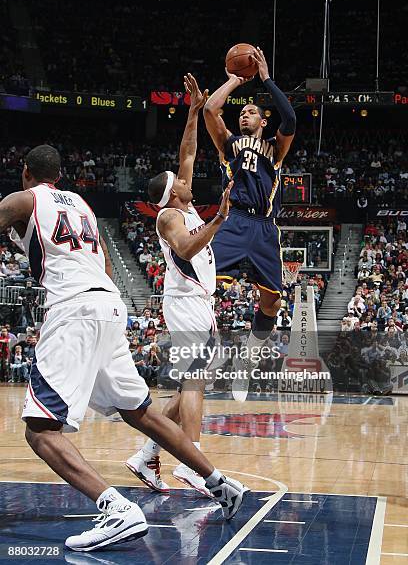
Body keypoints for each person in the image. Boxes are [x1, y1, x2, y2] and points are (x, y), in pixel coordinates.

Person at [0, 144, 246, 552]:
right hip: (109, 305)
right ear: (58, 176)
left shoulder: (22, 199)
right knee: (142, 412)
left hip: (73, 307)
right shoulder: (81, 204)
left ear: (25, 171)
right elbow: (108, 263)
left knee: (40, 431)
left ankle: (116, 508)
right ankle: (222, 484)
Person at [127, 74, 234, 497]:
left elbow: (187, 149)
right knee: (194, 382)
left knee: (191, 384)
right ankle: (193, 461)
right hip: (186, 301)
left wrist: (192, 112)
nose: (189, 176)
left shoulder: (181, 202)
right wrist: (219, 218)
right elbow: (187, 250)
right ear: (174, 192)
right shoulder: (170, 217)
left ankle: (147, 453)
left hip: (197, 304)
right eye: (181, 178)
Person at [203, 47, 296, 400]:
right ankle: (208, 351)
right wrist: (232, 82)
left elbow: (291, 120)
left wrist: (265, 78)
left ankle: (247, 362)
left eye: (252, 111)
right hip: (234, 220)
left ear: (263, 120)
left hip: (265, 227)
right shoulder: (230, 144)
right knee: (199, 282)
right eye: (242, 111)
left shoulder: (276, 147)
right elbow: (211, 110)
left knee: (271, 303)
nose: (245, 114)